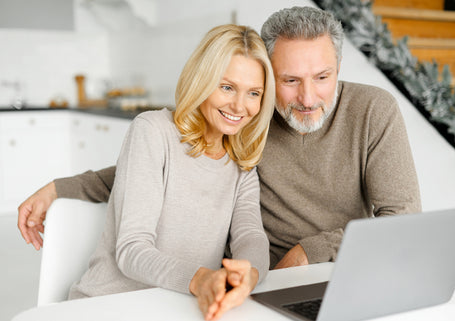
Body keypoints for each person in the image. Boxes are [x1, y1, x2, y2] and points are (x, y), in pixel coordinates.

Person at [19, 6, 421, 272]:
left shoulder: (373, 110)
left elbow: (403, 219)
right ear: (267, 75)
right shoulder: (247, 119)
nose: (308, 98)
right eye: (289, 80)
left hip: (349, 268)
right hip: (259, 281)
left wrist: (312, 251)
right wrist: (60, 188)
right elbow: (167, 162)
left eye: (323, 77)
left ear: (338, 68)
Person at [21, 24, 276, 321]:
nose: (239, 106)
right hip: (108, 307)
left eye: (253, 93)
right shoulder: (153, 132)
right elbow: (132, 250)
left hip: (179, 307)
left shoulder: (241, 161)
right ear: (202, 80)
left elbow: (251, 235)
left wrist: (247, 275)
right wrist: (202, 279)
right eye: (227, 87)